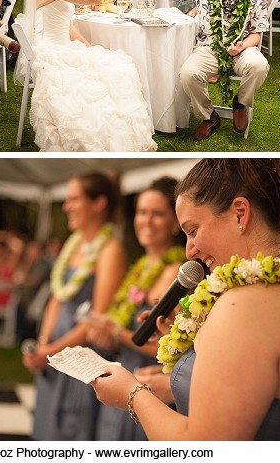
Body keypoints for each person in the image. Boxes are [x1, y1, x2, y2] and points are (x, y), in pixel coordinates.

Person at [91, 159, 280, 440]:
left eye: (193, 230)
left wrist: (132, 394)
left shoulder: (246, 306)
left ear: (240, 213)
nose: (190, 250)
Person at [23, 0, 157, 152]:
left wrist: (89, 47)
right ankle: (102, 141)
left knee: (114, 67)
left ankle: (118, 138)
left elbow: (67, 26)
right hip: (52, 51)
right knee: (107, 77)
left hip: (64, 45)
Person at [23, 172, 127, 440]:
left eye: (74, 199)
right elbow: (56, 299)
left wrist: (53, 352)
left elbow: (97, 316)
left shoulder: (110, 250)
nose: (66, 206)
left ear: (98, 203)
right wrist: (43, 345)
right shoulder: (73, 244)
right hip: (53, 350)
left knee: (69, 431)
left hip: (81, 356)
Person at [86, 177, 187, 440]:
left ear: (175, 222)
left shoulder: (177, 276)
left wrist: (117, 332)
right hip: (122, 376)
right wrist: (107, 335)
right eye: (142, 212)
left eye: (158, 214)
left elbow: (173, 348)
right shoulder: (139, 268)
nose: (147, 221)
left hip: (151, 385)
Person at [160, 0, 270, 138]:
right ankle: (209, 115)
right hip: (208, 47)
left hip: (241, 49)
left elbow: (257, 33)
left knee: (259, 65)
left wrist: (242, 45)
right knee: (188, 73)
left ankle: (241, 103)